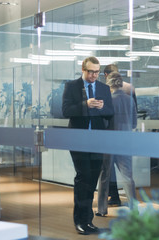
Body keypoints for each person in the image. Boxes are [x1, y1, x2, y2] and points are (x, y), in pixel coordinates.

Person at [62, 56, 114, 235]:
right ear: (83, 70)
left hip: (97, 140)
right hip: (78, 139)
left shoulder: (104, 88)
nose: (93, 75)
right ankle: (80, 221)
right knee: (83, 178)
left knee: (92, 180)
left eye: (97, 72)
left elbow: (110, 113)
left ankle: (88, 221)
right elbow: (66, 110)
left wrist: (101, 108)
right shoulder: (72, 86)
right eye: (90, 71)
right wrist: (86, 105)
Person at [96, 72, 137, 217]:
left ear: (109, 84)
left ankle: (101, 209)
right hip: (125, 141)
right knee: (128, 177)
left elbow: (104, 122)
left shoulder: (107, 101)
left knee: (105, 176)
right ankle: (134, 208)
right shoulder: (130, 100)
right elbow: (134, 123)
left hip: (109, 142)